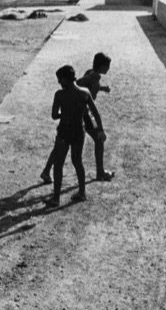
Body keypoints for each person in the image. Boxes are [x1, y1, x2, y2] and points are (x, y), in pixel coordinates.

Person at [41, 52, 114, 184]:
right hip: (84, 115)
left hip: (80, 114)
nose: (109, 68)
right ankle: (100, 172)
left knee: (61, 143)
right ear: (103, 67)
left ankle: (46, 170)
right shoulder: (93, 79)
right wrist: (99, 128)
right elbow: (82, 87)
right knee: (98, 140)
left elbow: (85, 85)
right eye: (107, 66)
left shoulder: (91, 73)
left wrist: (101, 88)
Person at [44, 65, 98, 207]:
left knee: (59, 164)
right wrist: (99, 130)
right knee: (77, 162)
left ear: (64, 79)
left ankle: (56, 198)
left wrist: (65, 113)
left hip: (64, 132)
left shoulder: (59, 95)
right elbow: (95, 114)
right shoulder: (85, 92)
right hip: (79, 132)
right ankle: (82, 192)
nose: (59, 83)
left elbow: (54, 115)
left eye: (59, 80)